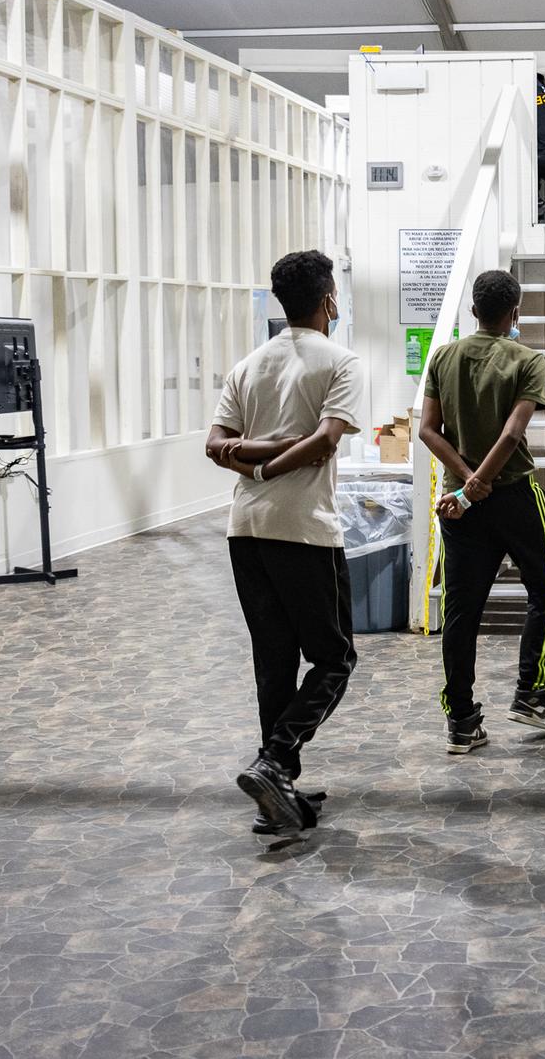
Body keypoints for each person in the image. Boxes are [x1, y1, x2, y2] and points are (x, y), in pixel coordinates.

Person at [205, 249, 360, 835]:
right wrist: (280, 456)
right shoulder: (341, 362)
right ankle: (274, 760)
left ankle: (278, 787)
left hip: (245, 530)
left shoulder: (248, 366)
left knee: (274, 662)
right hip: (304, 529)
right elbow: (322, 443)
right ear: (328, 301)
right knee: (335, 657)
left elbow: (219, 445)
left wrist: (254, 451)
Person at [419, 269, 545, 752]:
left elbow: (427, 430)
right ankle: (530, 693)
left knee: (462, 612)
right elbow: (511, 435)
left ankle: (461, 720)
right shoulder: (528, 359)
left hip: (459, 505)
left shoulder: (443, 357)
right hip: (515, 496)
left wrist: (465, 481)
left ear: (474, 310)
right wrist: (483, 480)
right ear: (515, 312)